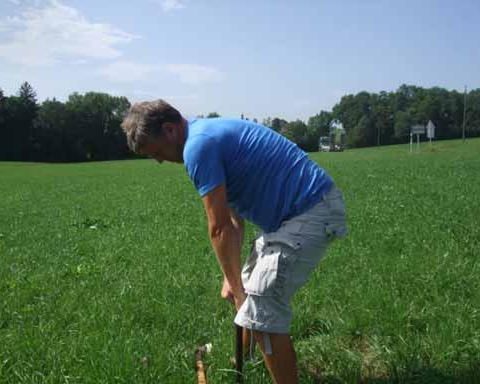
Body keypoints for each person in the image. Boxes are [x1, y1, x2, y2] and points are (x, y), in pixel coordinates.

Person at [121, 100, 347, 384]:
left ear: (169, 129)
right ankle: (244, 361)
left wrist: (237, 287)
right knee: (244, 294)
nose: (160, 160)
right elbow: (234, 216)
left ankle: (265, 358)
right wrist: (234, 281)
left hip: (311, 209)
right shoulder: (204, 136)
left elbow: (219, 228)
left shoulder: (198, 147)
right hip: (291, 218)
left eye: (157, 152)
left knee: (262, 307)